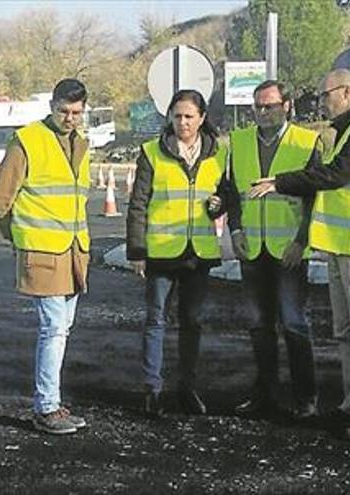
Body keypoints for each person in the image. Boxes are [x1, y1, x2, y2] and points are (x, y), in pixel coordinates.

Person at [249, 69, 350, 441]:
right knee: (346, 331)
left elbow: (335, 176)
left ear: (346, 92)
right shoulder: (346, 131)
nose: (322, 102)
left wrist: (280, 182)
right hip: (341, 246)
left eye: (325, 94)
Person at [0, 79, 91, 435]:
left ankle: (52, 403)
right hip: (42, 253)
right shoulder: (28, 140)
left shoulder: (82, 144)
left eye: (76, 112)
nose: (70, 118)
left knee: (63, 329)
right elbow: (0, 198)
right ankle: (46, 407)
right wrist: (17, 239)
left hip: (75, 253)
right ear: (52, 105)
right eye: (64, 110)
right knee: (54, 329)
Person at [219, 80, 322, 420]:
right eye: (258, 107)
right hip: (252, 248)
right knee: (259, 326)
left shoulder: (306, 142)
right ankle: (264, 394)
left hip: (288, 249)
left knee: (294, 324)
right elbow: (231, 192)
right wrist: (235, 230)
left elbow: (314, 198)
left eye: (270, 106)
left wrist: (302, 240)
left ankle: (306, 399)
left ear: (287, 106)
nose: (263, 113)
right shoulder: (239, 142)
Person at [126, 89, 227, 418]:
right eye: (177, 115)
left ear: (201, 118)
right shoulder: (152, 152)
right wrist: (137, 250)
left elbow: (226, 195)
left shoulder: (219, 153)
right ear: (168, 116)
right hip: (160, 252)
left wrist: (219, 206)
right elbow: (138, 204)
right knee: (156, 321)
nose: (182, 122)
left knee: (192, 323)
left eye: (189, 116)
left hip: (198, 253)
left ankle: (188, 389)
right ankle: (152, 390)